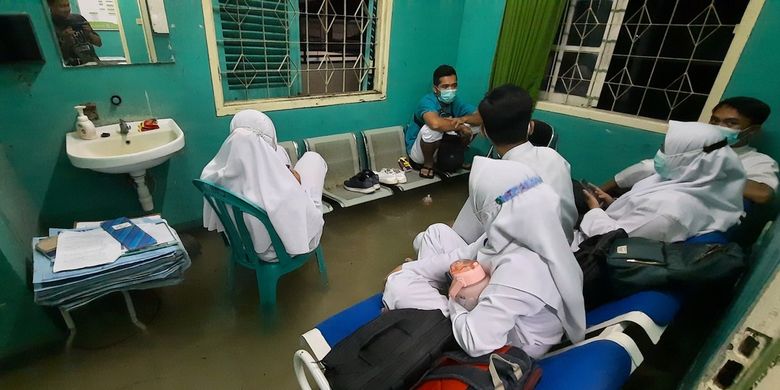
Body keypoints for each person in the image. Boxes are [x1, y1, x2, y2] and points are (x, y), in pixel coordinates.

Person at [384, 157, 586, 358]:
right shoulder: (522, 228)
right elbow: (466, 254)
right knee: (437, 233)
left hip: (512, 339)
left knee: (399, 287)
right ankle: (426, 287)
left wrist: (454, 299)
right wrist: (409, 269)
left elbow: (475, 341)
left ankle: (429, 309)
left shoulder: (523, 266)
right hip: (493, 299)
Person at [577, 121, 745, 247]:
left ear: (689, 159)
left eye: (666, 148)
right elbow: (638, 216)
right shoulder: (679, 181)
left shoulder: (669, 211)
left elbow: (613, 241)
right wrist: (614, 203)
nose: (660, 152)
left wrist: (595, 210)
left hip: (589, 245)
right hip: (603, 222)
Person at [451, 84, 577, 244]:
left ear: (484, 132)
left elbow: (463, 237)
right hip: (564, 248)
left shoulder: (491, 176)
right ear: (530, 127)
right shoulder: (555, 158)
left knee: (431, 237)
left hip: (513, 263)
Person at [200, 110, 328, 262]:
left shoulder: (212, 175)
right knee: (313, 159)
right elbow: (300, 217)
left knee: (284, 153)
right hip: (278, 251)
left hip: (242, 245)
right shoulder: (282, 191)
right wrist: (296, 183)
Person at [602, 97, 777, 205]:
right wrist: (602, 190)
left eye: (731, 123)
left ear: (752, 130)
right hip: (640, 200)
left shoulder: (757, 161)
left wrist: (702, 172)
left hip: (676, 212)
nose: (718, 127)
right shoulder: (700, 146)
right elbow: (650, 167)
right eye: (714, 121)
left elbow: (762, 194)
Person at [406, 65, 483, 177]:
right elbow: (435, 123)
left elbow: (480, 117)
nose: (450, 90)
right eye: (445, 86)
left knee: (476, 125)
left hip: (441, 146)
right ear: (435, 88)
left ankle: (456, 156)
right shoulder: (427, 101)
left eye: (454, 86)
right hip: (419, 152)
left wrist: (463, 119)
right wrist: (460, 126)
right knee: (430, 129)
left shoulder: (456, 101)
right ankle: (428, 165)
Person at [48, 0, 102, 66]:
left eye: (68, 5)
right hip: (72, 69)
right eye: (62, 6)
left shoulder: (79, 18)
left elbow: (99, 43)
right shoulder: (48, 26)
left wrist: (90, 34)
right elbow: (56, 58)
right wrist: (66, 42)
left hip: (94, 64)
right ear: (51, 7)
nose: (67, 9)